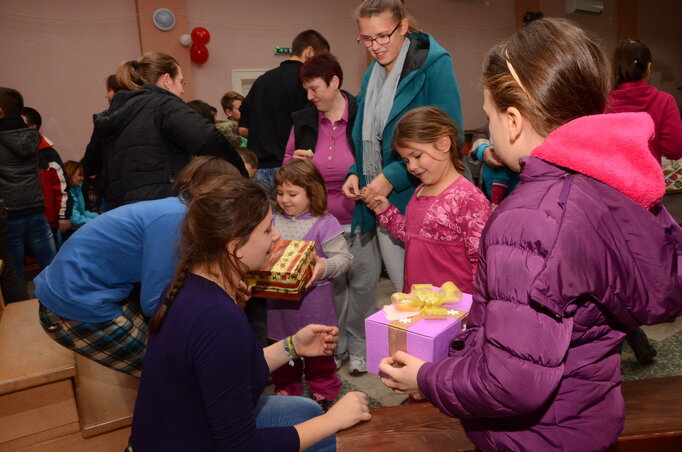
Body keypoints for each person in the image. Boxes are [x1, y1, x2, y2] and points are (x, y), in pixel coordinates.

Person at [377, 18, 682, 451]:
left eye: (489, 117)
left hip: (535, 438)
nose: (488, 129)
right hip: (589, 416)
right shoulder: (609, 187)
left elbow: (512, 380)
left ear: (514, 120)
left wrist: (427, 378)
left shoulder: (529, 220)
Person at [131, 176, 370, 451]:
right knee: (327, 432)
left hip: (173, 432)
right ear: (236, 247)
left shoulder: (186, 285)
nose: (277, 235)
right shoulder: (219, 320)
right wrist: (335, 419)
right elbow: (241, 447)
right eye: (268, 230)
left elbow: (227, 370)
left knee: (304, 411)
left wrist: (292, 346)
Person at [340, 0, 464, 373]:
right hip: (384, 202)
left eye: (384, 36)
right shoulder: (371, 76)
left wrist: (390, 176)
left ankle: (448, 373)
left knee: (440, 300)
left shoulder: (434, 65)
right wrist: (354, 171)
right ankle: (423, 374)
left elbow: (448, 133)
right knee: (408, 294)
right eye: (367, 38)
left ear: (404, 27)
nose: (376, 46)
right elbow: (368, 137)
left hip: (424, 197)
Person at [35, 156, 241, 376]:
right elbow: (154, 303)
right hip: (73, 303)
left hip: (84, 292)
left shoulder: (175, 209)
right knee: (177, 371)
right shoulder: (176, 220)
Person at [281, 52, 365, 373]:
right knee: (331, 293)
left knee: (361, 287)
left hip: (358, 218)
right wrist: (296, 162)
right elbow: (287, 163)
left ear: (335, 82)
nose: (310, 96)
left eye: (315, 88)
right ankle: (337, 344)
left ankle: (359, 346)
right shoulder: (303, 119)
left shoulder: (359, 114)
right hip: (318, 223)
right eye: (306, 90)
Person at [82, 51, 247, 209]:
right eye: (181, 81)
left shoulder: (110, 114)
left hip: (119, 206)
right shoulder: (163, 104)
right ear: (167, 80)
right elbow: (207, 138)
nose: (182, 89)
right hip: (162, 199)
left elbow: (90, 165)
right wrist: (240, 171)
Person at [367, 106, 490, 294]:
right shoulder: (420, 190)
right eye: (406, 160)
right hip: (419, 301)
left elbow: (481, 260)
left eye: (417, 156)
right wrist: (387, 213)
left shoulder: (468, 198)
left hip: (454, 309)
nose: (412, 167)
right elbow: (411, 234)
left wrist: (477, 308)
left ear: (443, 144)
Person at [268, 160, 352, 410]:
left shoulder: (326, 223)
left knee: (319, 355)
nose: (285, 199)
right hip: (278, 306)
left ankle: (323, 389)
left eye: (292, 194)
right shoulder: (272, 222)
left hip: (315, 303)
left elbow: (345, 259)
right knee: (282, 350)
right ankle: (287, 388)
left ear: (312, 193)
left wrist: (323, 267)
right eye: (281, 193)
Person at [238, 30, 330, 195]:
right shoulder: (307, 82)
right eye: (320, 58)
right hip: (291, 169)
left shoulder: (262, 80)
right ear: (309, 52)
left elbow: (243, 128)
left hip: (258, 170)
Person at [0, 87, 56, 286]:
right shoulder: (32, 136)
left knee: (14, 275)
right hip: (35, 210)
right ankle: (61, 310)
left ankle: (20, 314)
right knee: (52, 269)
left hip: (10, 212)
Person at [606, 38, 682, 163]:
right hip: (648, 180)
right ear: (649, 66)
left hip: (608, 180)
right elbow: (674, 151)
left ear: (614, 68)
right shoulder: (664, 101)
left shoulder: (600, 101)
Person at [21, 106, 72, 248]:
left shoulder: (48, 153)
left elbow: (61, 187)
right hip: (19, 219)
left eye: (22, 124)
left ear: (33, 127)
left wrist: (63, 216)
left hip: (46, 220)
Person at [468, 129, 519, 209]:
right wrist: (483, 151)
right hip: (489, 198)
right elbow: (481, 132)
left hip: (515, 204)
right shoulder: (490, 128)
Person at [63, 160, 98, 230]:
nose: (82, 178)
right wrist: (96, 221)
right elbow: (75, 219)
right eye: (80, 175)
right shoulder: (66, 194)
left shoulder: (77, 189)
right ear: (70, 174)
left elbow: (81, 213)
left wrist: (98, 216)